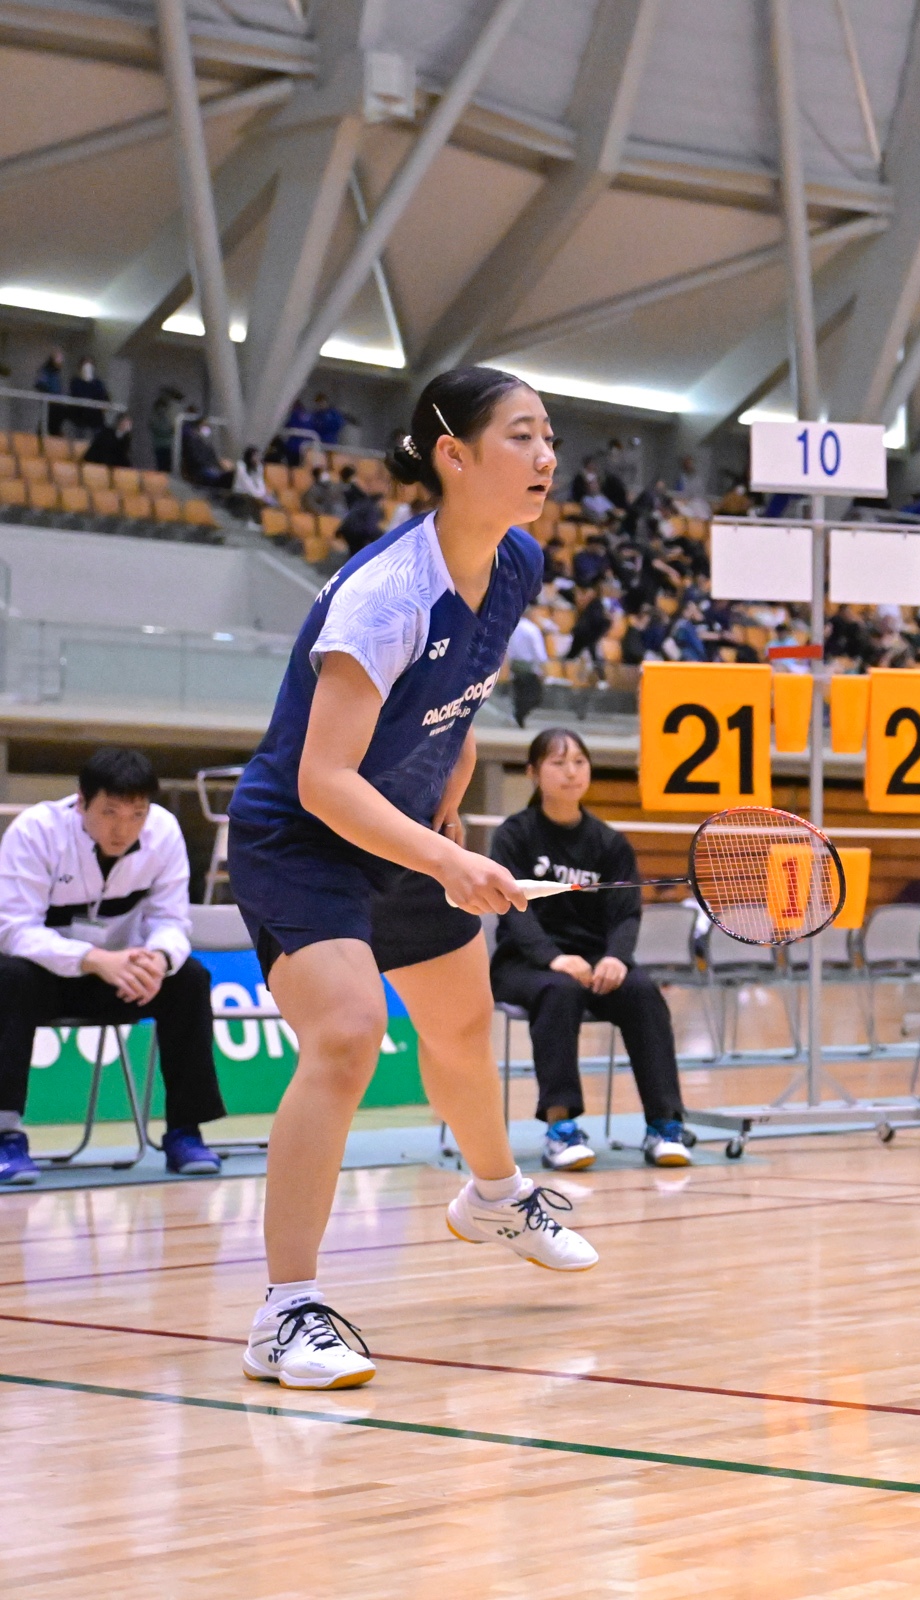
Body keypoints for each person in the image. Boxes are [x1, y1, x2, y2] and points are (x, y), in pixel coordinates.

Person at [228, 367, 596, 1393]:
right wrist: (448, 859)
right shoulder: (385, 594)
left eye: (549, 436)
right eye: (521, 435)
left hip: (404, 828)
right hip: (303, 837)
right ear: (453, 455)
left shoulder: (515, 562)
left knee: (463, 1026)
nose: (546, 456)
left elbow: (458, 699)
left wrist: (449, 795)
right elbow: (323, 778)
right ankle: (284, 1311)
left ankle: (494, 1195)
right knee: (348, 1033)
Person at [0, 748, 227, 1184]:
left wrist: (158, 959)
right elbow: (14, 930)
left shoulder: (164, 832)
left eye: (137, 814)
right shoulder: (35, 831)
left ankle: (186, 1132)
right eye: (110, 813)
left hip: (123, 977)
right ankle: (5, 1134)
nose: (123, 829)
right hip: (45, 977)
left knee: (188, 979)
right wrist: (92, 959)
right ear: (81, 802)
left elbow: (171, 921)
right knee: (8, 978)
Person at [487, 729, 692, 1169]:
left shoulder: (609, 843)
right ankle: (561, 1129)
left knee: (643, 993)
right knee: (559, 991)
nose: (571, 772)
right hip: (525, 965)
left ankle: (664, 1125)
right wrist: (553, 958)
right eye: (558, 762)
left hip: (595, 964)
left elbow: (626, 914)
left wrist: (616, 958)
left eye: (579, 762)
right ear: (533, 772)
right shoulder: (514, 835)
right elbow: (514, 911)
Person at [506, 611, 549, 724]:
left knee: (519, 694)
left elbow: (509, 649)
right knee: (533, 696)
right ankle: (519, 716)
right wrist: (543, 669)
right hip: (528, 668)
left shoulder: (512, 628)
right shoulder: (532, 629)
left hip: (515, 665)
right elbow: (539, 652)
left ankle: (518, 717)